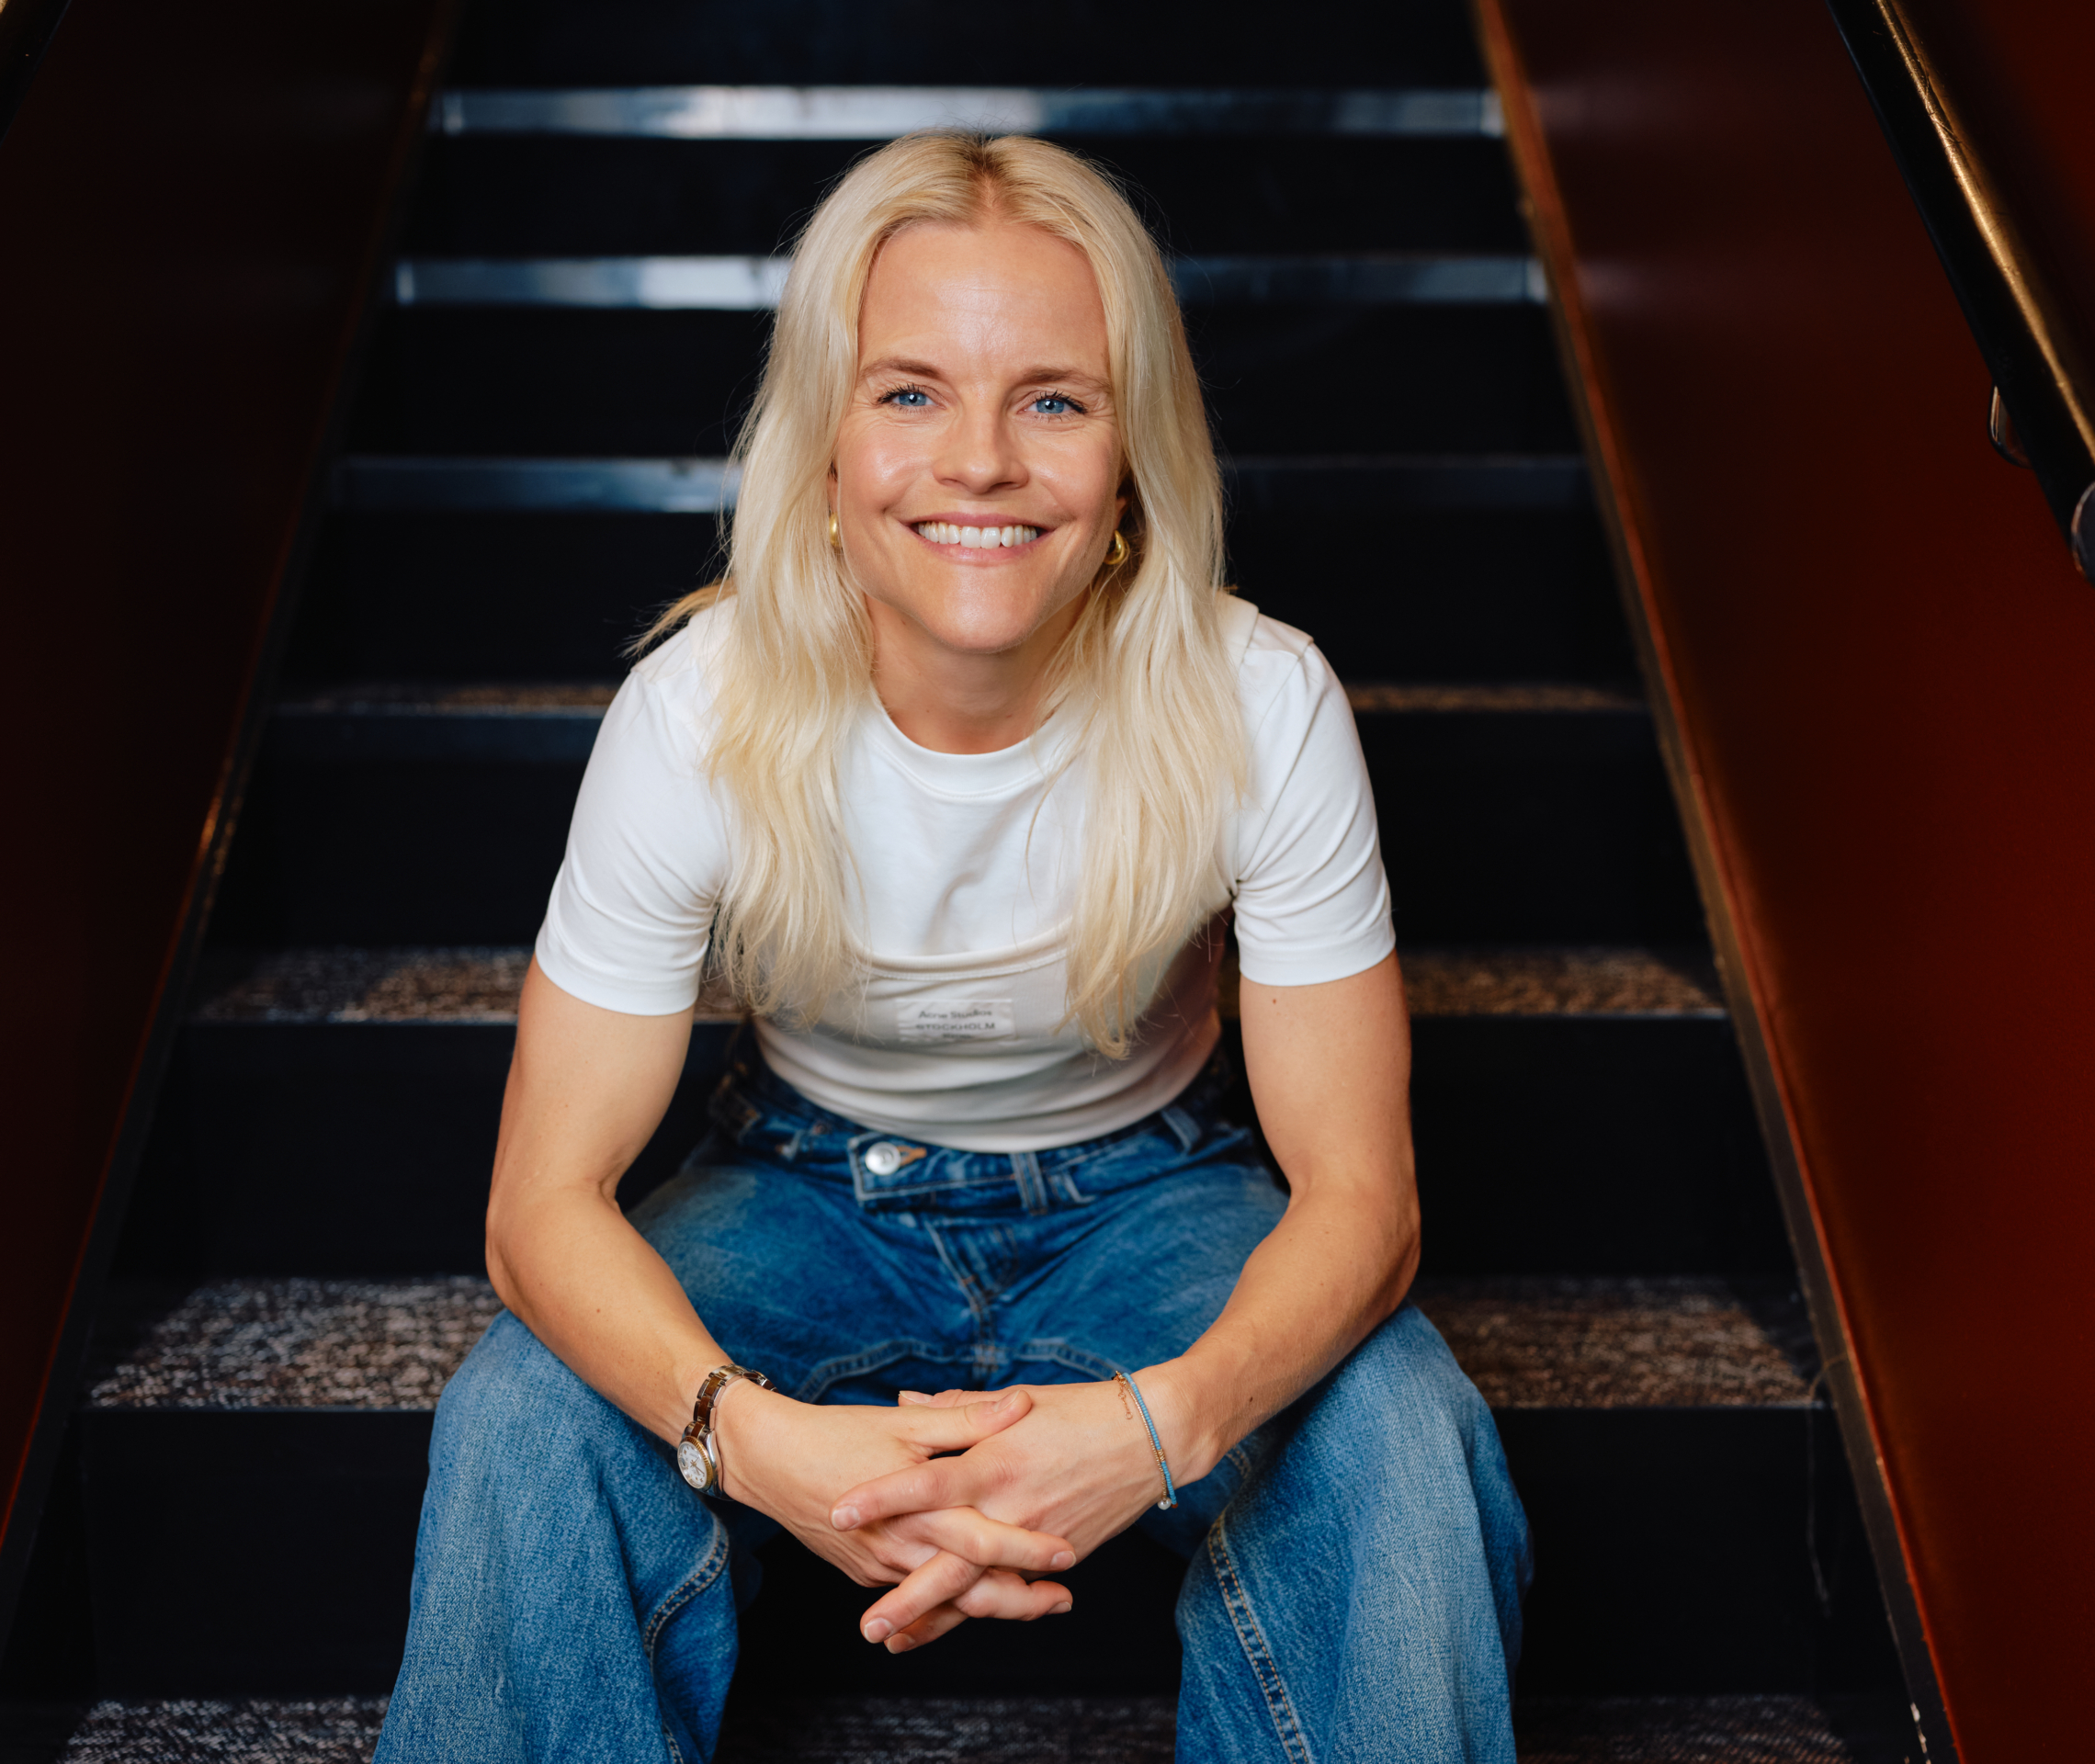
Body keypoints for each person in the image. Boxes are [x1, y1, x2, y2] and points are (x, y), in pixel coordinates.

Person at [374, 131, 1531, 1764]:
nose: (978, 461)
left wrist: (1157, 1429)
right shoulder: (694, 712)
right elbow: (537, 1208)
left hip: (1150, 1197)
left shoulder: (1262, 701)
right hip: (801, 1191)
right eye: (910, 392)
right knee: (524, 1412)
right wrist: (757, 1448)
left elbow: (1366, 1202)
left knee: (1400, 1431)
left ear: (1132, 459)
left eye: (1053, 400)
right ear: (824, 449)